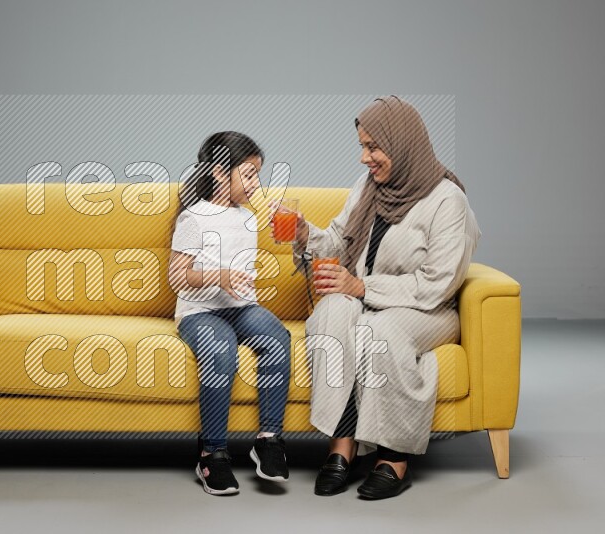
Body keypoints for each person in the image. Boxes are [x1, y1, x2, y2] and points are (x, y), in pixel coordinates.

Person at [277, 96, 481, 500]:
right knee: (331, 311)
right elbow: (338, 241)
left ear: (403, 143)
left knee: (381, 331)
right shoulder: (368, 188)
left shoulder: (447, 201)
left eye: (373, 147)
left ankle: (394, 456)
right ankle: (342, 443)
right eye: (362, 146)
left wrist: (364, 287)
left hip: (425, 309)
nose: (364, 158)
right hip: (368, 297)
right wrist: (305, 235)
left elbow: (438, 282)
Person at [169, 131, 292, 496]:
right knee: (220, 350)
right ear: (221, 173)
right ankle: (212, 454)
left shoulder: (247, 218)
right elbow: (177, 277)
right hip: (199, 312)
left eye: (258, 173)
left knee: (276, 338)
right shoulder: (194, 217)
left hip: (241, 308)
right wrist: (219, 277)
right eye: (250, 173)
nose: (256, 182)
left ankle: (268, 439)